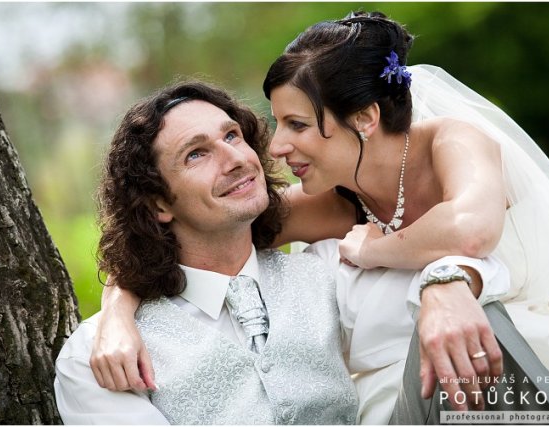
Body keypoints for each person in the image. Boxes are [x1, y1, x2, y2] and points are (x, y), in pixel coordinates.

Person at [54, 80, 508, 424]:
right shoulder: (95, 356)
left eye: (232, 136)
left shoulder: (328, 270)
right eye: (196, 154)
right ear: (157, 204)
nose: (235, 159)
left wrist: (445, 283)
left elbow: (477, 264)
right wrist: (118, 309)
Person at [262, 8, 549, 413]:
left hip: (539, 356)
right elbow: (218, 231)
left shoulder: (453, 141)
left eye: (297, 124)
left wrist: (373, 250)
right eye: (277, 124)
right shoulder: (329, 200)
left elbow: (470, 230)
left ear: (364, 117)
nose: (277, 146)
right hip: (425, 391)